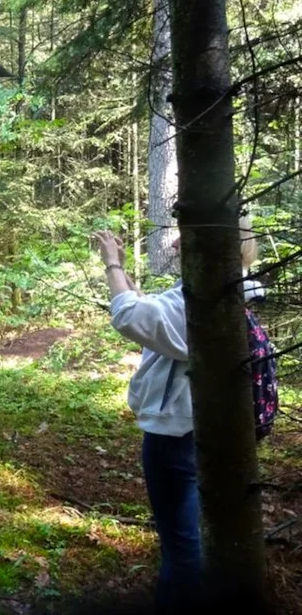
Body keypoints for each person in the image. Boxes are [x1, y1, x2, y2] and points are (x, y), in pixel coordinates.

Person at [94, 222, 262, 611]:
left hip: (176, 438)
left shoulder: (207, 302)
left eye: (185, 239)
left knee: (182, 545)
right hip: (206, 431)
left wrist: (110, 267)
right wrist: (126, 274)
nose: (175, 244)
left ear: (210, 246)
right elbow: (156, 311)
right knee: (193, 536)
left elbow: (133, 318)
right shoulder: (230, 292)